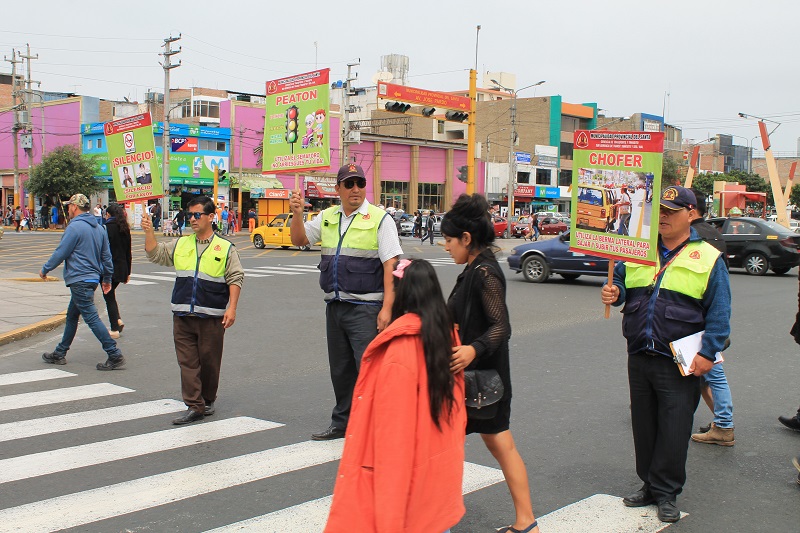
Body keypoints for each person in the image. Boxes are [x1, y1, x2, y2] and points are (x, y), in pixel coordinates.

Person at [600, 185, 731, 523]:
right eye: (659, 211)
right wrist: (614, 293)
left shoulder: (709, 258)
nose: (663, 218)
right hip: (640, 353)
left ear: (691, 213)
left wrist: (708, 352)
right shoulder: (638, 250)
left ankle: (667, 492)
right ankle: (648, 483)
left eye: (671, 212)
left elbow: (719, 313)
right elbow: (623, 288)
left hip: (680, 360)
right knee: (644, 426)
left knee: (674, 429)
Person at [325, 259, 466, 533]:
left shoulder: (400, 351)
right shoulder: (445, 337)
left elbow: (394, 441)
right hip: (439, 476)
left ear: (402, 293)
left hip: (411, 491)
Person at [442, 193, 539, 533]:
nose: (445, 246)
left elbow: (502, 326)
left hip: (484, 379)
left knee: (489, 443)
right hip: (474, 379)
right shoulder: (473, 268)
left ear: (466, 239)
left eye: (449, 240)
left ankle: (526, 522)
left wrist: (473, 349)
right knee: (497, 443)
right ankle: (526, 522)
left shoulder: (485, 273)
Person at [289, 163, 403, 441]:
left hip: (367, 308)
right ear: (338, 189)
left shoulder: (380, 218)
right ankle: (343, 423)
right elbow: (299, 240)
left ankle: (377, 428)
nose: (355, 189)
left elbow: (392, 264)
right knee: (341, 370)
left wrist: (388, 308)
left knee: (370, 370)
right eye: (349, 184)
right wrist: (297, 214)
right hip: (335, 306)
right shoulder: (327, 217)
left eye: (360, 183)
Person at [142, 195, 243, 425]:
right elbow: (155, 254)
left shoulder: (225, 248)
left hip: (212, 316)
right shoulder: (182, 243)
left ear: (210, 217)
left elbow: (236, 277)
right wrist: (149, 231)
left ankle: (207, 399)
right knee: (187, 361)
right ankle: (194, 405)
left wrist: (232, 308)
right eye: (190, 215)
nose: (193, 219)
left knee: (209, 361)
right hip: (182, 315)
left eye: (197, 215)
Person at [40, 194, 126, 370]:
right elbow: (106, 257)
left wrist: (45, 269)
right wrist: (107, 278)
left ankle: (114, 353)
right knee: (72, 316)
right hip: (92, 279)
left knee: (91, 317)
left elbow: (61, 252)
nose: (69, 209)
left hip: (79, 279)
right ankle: (60, 352)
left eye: (70, 206)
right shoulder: (99, 227)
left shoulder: (75, 227)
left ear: (74, 207)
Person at [688, 187, 735, 446]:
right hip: (709, 314)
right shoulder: (714, 232)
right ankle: (721, 421)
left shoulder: (694, 236)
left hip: (700, 317)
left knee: (712, 371)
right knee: (704, 374)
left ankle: (725, 424)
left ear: (690, 211)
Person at [102, 203, 132, 340]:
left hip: (109, 269)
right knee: (111, 294)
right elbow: (128, 252)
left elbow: (103, 252)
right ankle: (118, 319)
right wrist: (128, 272)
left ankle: (114, 328)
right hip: (122, 268)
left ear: (108, 215)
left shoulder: (106, 229)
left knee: (108, 297)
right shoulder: (125, 229)